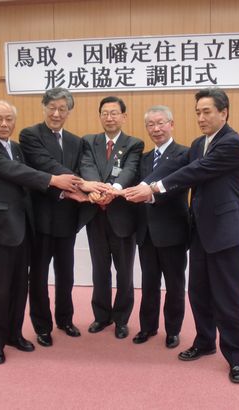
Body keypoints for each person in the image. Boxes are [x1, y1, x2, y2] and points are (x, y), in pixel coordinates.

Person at [124, 88, 239, 383]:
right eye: (198, 112)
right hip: (201, 233)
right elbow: (175, 165)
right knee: (199, 293)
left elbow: (195, 172)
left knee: (229, 298)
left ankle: (237, 358)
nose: (202, 118)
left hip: (226, 233)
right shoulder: (198, 143)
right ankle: (205, 342)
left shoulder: (231, 143)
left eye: (207, 112)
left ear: (224, 112)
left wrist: (154, 189)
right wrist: (144, 183)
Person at [0, 100, 82, 365]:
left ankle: (14, 335)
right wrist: (55, 180)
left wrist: (67, 191)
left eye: (9, 119)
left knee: (20, 287)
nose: (4, 124)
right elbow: (16, 172)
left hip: (24, 229)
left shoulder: (18, 148)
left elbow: (31, 180)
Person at [19, 88, 107, 347]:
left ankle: (65, 320)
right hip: (40, 219)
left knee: (65, 275)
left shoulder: (75, 141)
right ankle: (42, 326)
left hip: (67, 219)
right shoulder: (30, 135)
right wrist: (83, 185)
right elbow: (46, 165)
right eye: (52, 108)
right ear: (43, 107)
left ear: (69, 111)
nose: (57, 114)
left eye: (62, 109)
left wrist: (86, 186)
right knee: (38, 276)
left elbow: (80, 168)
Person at [79, 96, 144, 339]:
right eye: (105, 113)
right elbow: (86, 167)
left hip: (122, 217)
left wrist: (113, 191)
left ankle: (121, 319)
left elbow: (130, 170)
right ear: (100, 116)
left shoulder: (133, 143)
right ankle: (101, 316)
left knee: (125, 272)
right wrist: (95, 189)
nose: (109, 117)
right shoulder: (89, 141)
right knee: (99, 269)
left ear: (124, 117)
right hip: (96, 215)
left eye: (114, 113)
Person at [127, 105, 189, 349]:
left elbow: (178, 186)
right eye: (151, 124)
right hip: (146, 233)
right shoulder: (143, 159)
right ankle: (148, 327)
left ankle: (173, 330)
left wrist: (149, 194)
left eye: (161, 123)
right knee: (149, 283)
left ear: (171, 124)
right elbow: (133, 189)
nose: (156, 129)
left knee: (174, 285)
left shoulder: (184, 154)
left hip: (172, 231)